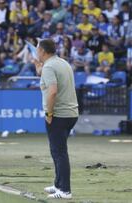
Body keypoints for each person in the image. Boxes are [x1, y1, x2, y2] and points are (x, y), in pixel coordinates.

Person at [33, 39, 79, 199]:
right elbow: (51, 78)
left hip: (59, 114)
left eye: (37, 49)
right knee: (57, 150)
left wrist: (49, 114)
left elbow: (52, 91)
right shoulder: (62, 62)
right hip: (71, 113)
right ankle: (58, 184)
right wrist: (39, 69)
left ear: (43, 51)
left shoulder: (49, 67)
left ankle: (65, 190)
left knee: (59, 152)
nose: (36, 52)